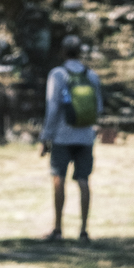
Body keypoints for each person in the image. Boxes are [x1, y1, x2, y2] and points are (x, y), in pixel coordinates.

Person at [41, 34, 103, 241]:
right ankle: (84, 229)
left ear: (62, 51)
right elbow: (99, 107)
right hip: (85, 136)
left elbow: (52, 107)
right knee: (84, 180)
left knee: (59, 178)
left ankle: (58, 228)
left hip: (62, 136)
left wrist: (45, 137)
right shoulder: (92, 76)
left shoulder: (58, 74)